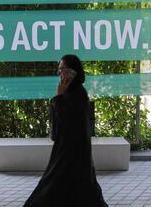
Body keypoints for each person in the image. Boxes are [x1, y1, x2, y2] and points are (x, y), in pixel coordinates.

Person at [23, 54, 108, 207]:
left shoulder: (78, 94)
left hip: (72, 152)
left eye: (64, 69)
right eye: (60, 69)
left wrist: (59, 96)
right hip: (68, 150)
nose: (61, 73)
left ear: (73, 71)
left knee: (54, 186)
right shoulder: (73, 92)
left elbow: (65, 121)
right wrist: (60, 96)